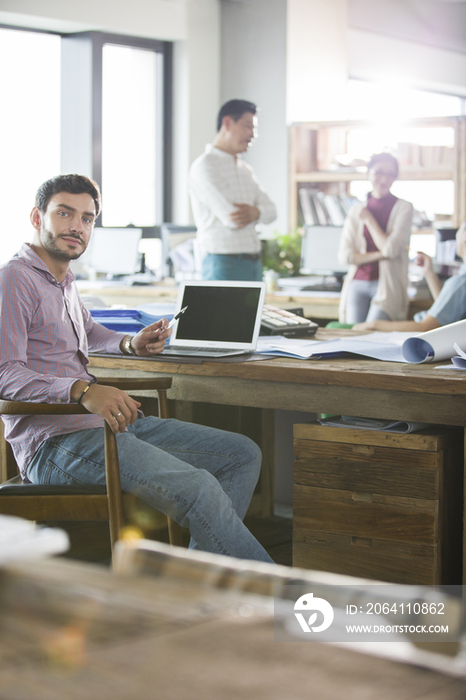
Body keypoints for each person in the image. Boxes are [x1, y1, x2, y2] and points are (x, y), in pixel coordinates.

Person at [0, 174, 273, 564]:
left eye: (88, 218)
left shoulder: (63, 279)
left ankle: (193, 584)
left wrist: (131, 343)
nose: (77, 226)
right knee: (198, 489)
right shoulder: (15, 278)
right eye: (64, 213)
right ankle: (282, 600)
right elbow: (5, 373)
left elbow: (88, 331)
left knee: (242, 454)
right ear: (36, 217)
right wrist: (83, 390)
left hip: (103, 428)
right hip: (55, 443)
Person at [189, 99, 277, 281]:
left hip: (253, 264)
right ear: (227, 123)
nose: (253, 134)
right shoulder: (205, 166)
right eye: (248, 126)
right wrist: (258, 212)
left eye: (254, 129)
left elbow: (272, 212)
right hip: (223, 264)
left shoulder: (245, 169)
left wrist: (255, 212)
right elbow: (232, 218)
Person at [338, 153, 413, 324]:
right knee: (353, 337)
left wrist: (369, 220)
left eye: (390, 174)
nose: (384, 178)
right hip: (357, 282)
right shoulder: (356, 210)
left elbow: (390, 249)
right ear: (368, 173)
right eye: (378, 171)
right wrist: (381, 254)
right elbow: (345, 256)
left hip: (386, 285)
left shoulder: (403, 208)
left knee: (372, 333)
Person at [353, 220, 466, 333]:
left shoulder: (460, 282)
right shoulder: (460, 282)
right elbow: (447, 310)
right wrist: (428, 272)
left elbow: (427, 327)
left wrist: (373, 324)